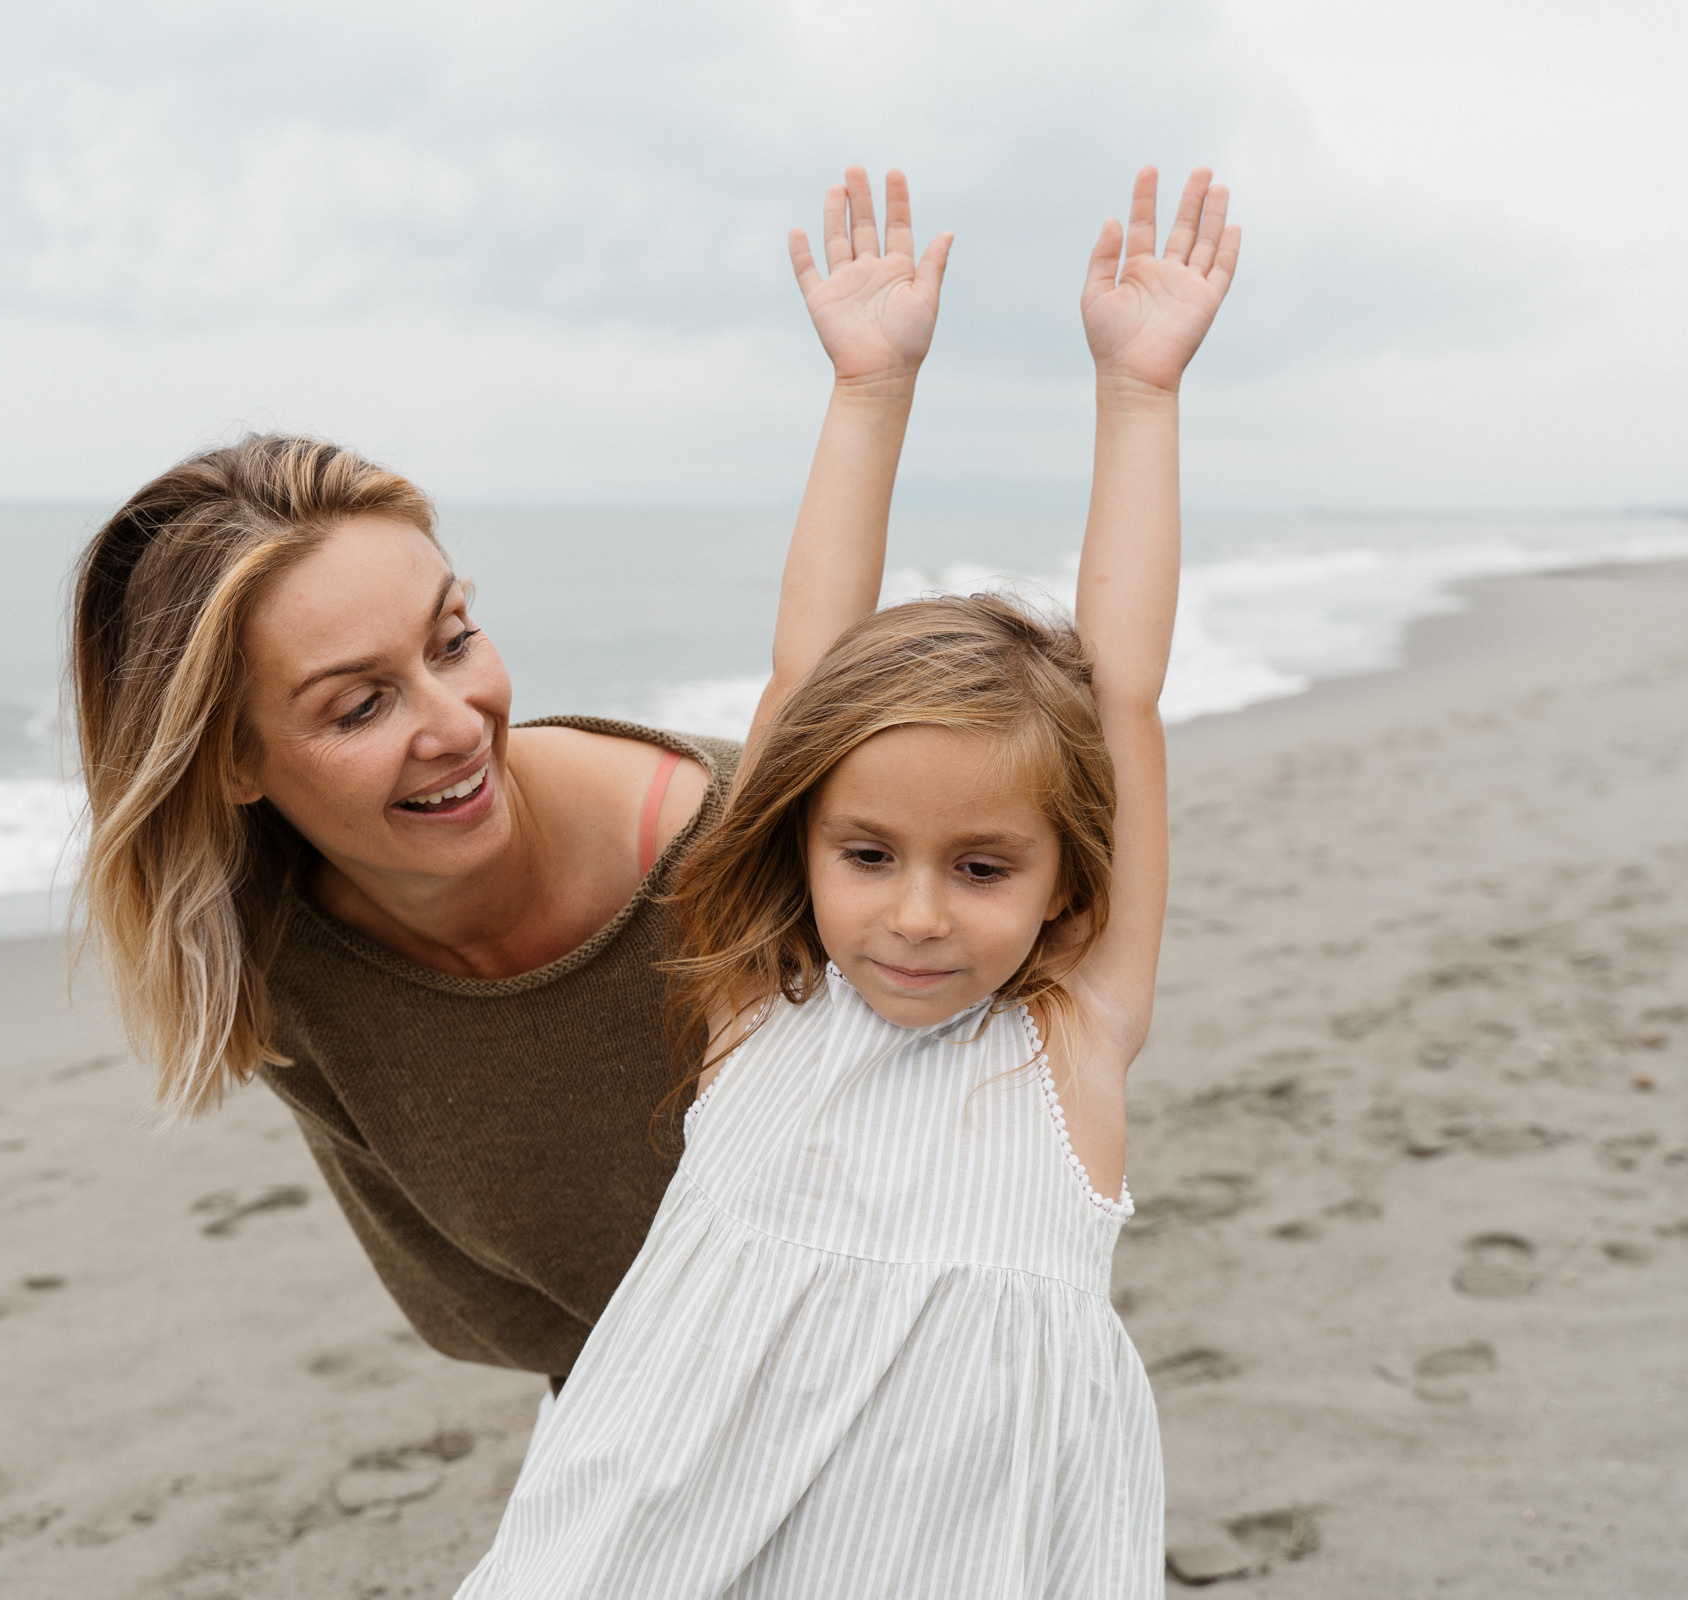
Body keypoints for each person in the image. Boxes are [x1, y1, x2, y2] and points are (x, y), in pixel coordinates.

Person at [455, 169, 1239, 1597]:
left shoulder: (1074, 1039)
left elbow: (1123, 690)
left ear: (1070, 880)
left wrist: (1141, 395)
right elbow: (808, 673)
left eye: (985, 866)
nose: (919, 912)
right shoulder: (767, 1004)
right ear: (802, 844)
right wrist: (870, 388)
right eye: (867, 855)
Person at [70, 169, 951, 1386]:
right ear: (229, 761)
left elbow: (820, 674)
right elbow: (519, 1307)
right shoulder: (277, 971)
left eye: (452, 638)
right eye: (360, 703)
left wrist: (872, 390)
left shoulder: (739, 841)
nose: (457, 722)